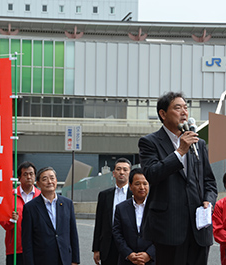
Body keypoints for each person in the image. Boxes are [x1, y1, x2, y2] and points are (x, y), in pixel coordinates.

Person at [138, 91, 217, 265]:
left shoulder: (199, 143)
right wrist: (180, 151)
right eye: (177, 107)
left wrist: (208, 202)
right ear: (163, 114)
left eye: (186, 108)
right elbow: (152, 173)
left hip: (198, 228)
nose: (184, 112)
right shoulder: (150, 142)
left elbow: (209, 182)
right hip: (169, 228)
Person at [22, 167, 80, 265]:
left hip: (65, 259)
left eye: (52, 178)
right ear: (38, 184)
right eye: (45, 179)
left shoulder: (67, 204)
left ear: (56, 181)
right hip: (42, 259)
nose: (49, 182)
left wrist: (75, 260)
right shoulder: (30, 208)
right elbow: (27, 241)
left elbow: (73, 234)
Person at [0, 161, 41, 265]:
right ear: (19, 178)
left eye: (31, 174)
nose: (29, 177)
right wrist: (11, 220)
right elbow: (2, 219)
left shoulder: (41, 197)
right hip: (15, 247)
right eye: (25, 174)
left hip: (37, 247)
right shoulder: (10, 196)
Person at [92, 158, 132, 265]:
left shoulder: (134, 194)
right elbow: (99, 222)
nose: (121, 172)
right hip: (108, 245)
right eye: (118, 169)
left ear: (130, 173)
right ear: (114, 173)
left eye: (125, 169)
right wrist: (96, 249)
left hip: (129, 245)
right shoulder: (104, 195)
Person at [112, 168, 155, 265]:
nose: (142, 187)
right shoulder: (121, 208)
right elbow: (117, 233)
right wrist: (129, 254)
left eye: (145, 183)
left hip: (151, 260)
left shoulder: (156, 208)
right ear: (130, 186)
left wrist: (149, 254)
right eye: (137, 184)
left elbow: (162, 233)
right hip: (127, 261)